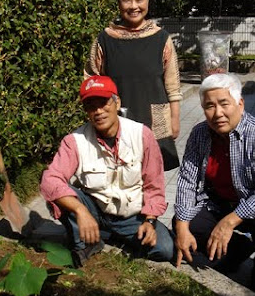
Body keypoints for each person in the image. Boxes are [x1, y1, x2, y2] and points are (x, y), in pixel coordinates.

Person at [173, 73, 255, 296]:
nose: (217, 113)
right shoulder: (199, 134)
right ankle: (237, 250)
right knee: (185, 221)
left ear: (240, 103)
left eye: (224, 104)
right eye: (209, 106)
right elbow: (187, 182)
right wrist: (180, 228)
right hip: (219, 201)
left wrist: (228, 223)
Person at [40, 75, 174, 267]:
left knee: (165, 249)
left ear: (116, 102)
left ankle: (113, 236)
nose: (98, 111)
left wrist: (150, 221)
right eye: (91, 106)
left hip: (131, 215)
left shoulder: (142, 135)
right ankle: (85, 244)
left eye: (103, 103)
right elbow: (50, 180)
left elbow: (154, 186)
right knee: (58, 193)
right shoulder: (75, 141)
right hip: (95, 209)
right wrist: (80, 210)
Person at [84, 0, 182, 171]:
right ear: (118, 3)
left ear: (148, 1)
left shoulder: (161, 38)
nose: (133, 6)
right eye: (126, 0)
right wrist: (97, 113)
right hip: (116, 120)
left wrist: (174, 118)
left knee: (153, 180)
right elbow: (91, 79)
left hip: (155, 121)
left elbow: (172, 84)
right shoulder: (105, 39)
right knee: (118, 178)